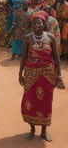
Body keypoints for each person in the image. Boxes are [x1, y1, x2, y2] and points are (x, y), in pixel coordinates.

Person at [19, 11, 65, 142]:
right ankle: (32, 129)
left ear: (44, 24)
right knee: (30, 100)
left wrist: (59, 75)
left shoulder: (50, 37)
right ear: (32, 24)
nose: (36, 25)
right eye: (34, 23)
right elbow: (23, 56)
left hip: (48, 74)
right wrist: (20, 73)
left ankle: (44, 131)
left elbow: (56, 57)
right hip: (31, 73)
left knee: (46, 101)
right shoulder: (28, 38)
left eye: (39, 23)